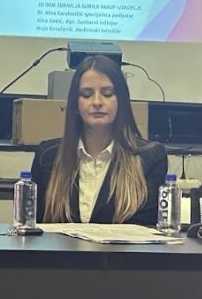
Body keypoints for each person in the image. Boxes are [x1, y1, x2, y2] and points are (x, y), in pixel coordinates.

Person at [31, 55, 167, 225]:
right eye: (86, 94)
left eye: (107, 93)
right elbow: (35, 226)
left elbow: (146, 228)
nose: (97, 102)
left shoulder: (150, 157)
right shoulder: (48, 156)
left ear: (121, 101)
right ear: (75, 103)